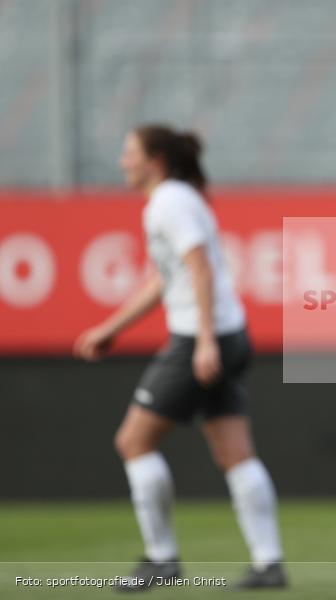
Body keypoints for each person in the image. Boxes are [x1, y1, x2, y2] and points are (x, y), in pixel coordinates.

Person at [73, 125, 286, 591]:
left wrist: (205, 339)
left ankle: (161, 559)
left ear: (155, 160)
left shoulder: (168, 202)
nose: (121, 161)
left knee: (133, 442)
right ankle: (269, 563)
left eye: (129, 152)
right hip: (229, 336)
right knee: (235, 452)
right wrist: (112, 328)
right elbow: (164, 280)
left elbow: (199, 266)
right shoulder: (176, 199)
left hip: (200, 339)